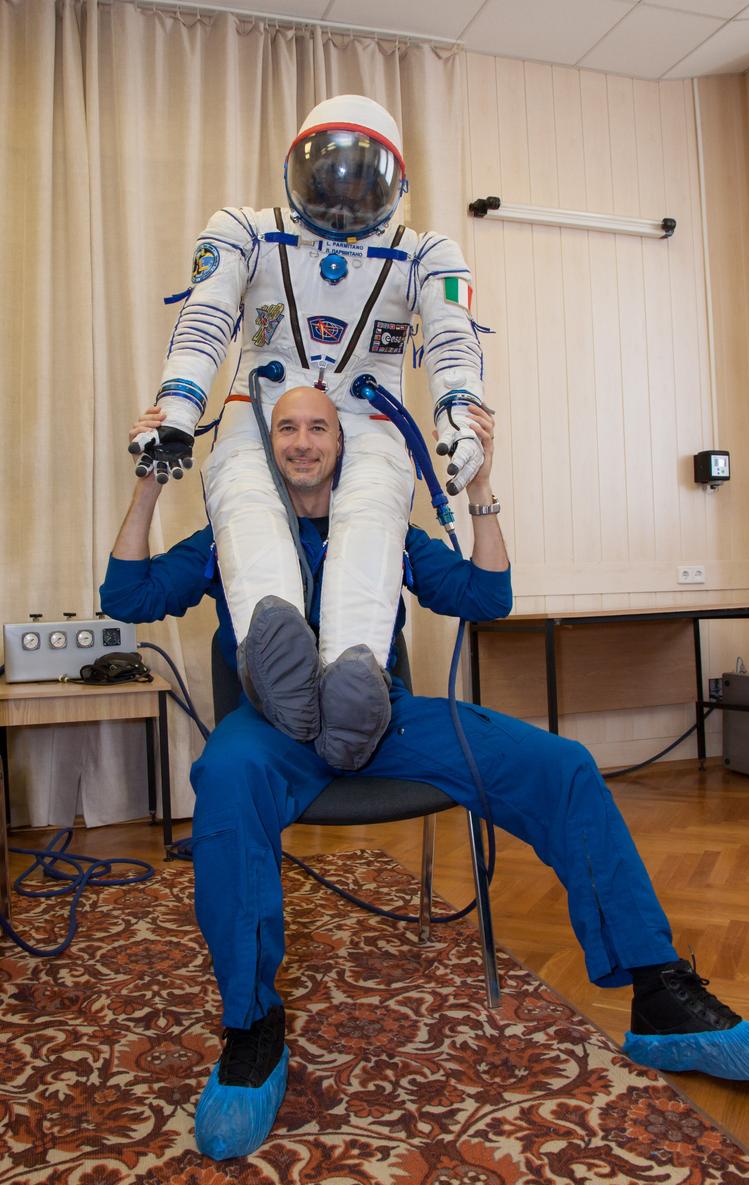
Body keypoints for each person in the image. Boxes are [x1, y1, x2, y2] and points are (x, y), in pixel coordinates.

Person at [102, 387, 749, 1162]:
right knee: (226, 781)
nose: (303, 442)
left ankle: (659, 996)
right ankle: (250, 1027)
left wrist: (480, 487)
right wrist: (150, 476)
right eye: (287, 429)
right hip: (273, 731)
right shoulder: (228, 533)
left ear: (343, 443)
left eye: (318, 428)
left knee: (564, 764)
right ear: (265, 444)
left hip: (388, 719)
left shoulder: (385, 529)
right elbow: (127, 597)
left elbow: (487, 598)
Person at [131, 94, 488, 772]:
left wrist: (458, 421)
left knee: (373, 519)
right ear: (298, 170)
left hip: (369, 407)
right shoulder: (243, 229)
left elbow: (451, 343)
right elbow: (206, 320)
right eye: (331, 176)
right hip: (261, 400)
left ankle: (355, 682)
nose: (346, 197)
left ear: (396, 184)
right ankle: (280, 670)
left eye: (364, 180)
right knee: (245, 504)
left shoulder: (426, 252)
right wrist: (177, 410)